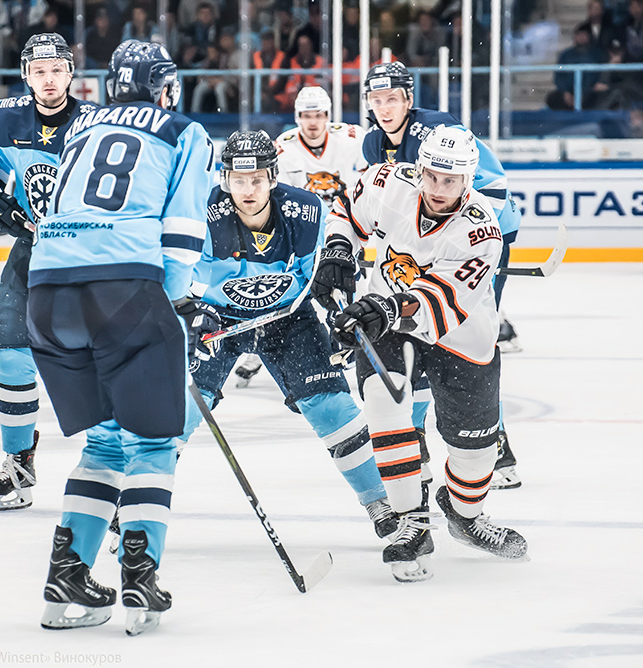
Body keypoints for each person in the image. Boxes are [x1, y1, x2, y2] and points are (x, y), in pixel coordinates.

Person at [27, 39, 213, 636]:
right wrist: (179, 302)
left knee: (106, 443)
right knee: (154, 442)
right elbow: (182, 227)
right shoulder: (183, 129)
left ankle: (69, 573)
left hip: (47, 294)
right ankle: (140, 577)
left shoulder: (79, 127)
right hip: (124, 291)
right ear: (165, 86)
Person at [313, 125, 528, 582]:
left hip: (461, 337)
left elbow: (442, 301)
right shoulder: (390, 181)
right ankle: (411, 521)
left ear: (468, 180)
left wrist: (385, 306)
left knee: (475, 455)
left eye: (449, 181)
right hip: (389, 328)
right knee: (385, 409)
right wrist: (338, 249)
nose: (437, 189)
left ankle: (464, 515)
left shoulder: (482, 229)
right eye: (431, 176)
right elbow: (346, 209)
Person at [178, 130, 398, 540]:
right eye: (238, 180)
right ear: (225, 179)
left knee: (333, 409)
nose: (248, 189)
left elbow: (321, 276)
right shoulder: (201, 211)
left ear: (273, 177)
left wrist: (336, 305)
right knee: (180, 411)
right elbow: (178, 271)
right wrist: (191, 309)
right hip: (219, 321)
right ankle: (138, 501)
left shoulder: (305, 209)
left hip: (287, 320)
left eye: (257, 179)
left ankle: (379, 502)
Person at [360, 60, 523, 489]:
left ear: (408, 99)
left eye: (392, 98)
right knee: (410, 337)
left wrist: (470, 238)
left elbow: (491, 187)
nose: (384, 107)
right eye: (376, 100)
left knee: (466, 336)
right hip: (426, 255)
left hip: (483, 236)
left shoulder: (436, 130)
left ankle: (496, 441)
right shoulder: (373, 145)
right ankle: (415, 438)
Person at [0, 33, 95, 512]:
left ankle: (114, 468)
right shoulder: (5, 114)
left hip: (90, 256)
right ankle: (18, 464)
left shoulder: (93, 123)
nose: (49, 79)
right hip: (32, 250)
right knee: (12, 354)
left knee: (97, 367)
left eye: (57, 69)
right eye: (40, 71)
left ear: (71, 73)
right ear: (26, 74)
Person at [229, 86, 367, 388]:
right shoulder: (283, 147)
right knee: (284, 285)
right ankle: (259, 343)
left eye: (318, 115)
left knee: (344, 280)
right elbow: (276, 200)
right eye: (306, 115)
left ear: (328, 116)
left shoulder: (353, 138)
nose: (313, 122)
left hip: (345, 224)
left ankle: (344, 336)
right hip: (305, 228)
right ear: (297, 117)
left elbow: (368, 183)